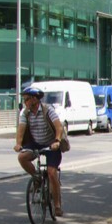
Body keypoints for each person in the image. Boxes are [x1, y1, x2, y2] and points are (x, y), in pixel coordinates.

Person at [14, 86, 66, 216]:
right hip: (36, 143)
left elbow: (58, 127)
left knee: (51, 172)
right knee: (22, 157)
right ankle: (37, 178)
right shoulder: (26, 113)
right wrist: (18, 144)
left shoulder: (48, 110)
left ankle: (57, 205)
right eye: (24, 99)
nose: (25, 102)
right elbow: (21, 129)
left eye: (26, 99)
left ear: (34, 99)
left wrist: (57, 141)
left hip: (51, 144)